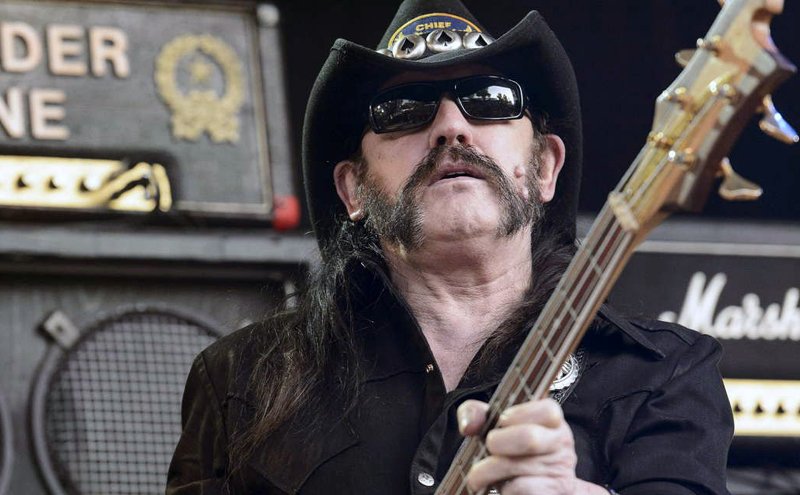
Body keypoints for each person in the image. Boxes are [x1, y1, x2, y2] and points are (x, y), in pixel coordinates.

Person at [166, 1, 733, 493]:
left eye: (489, 98)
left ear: (545, 169)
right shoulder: (241, 379)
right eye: (403, 109)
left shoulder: (663, 374)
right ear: (354, 190)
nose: (450, 126)